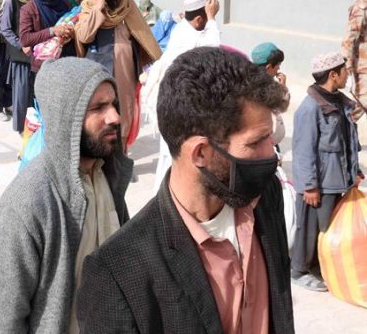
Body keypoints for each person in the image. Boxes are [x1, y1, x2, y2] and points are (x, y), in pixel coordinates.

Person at [78, 46, 293, 333]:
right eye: (256, 143)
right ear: (200, 153)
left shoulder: (265, 196)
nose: (272, 154)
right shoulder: (117, 274)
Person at [0, 57, 132, 334]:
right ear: (68, 117)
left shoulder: (108, 176)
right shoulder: (27, 204)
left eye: (113, 104)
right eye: (98, 108)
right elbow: (4, 320)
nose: (114, 117)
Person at [291, 52, 362, 292]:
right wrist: (309, 186)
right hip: (319, 184)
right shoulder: (310, 108)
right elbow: (303, 150)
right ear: (334, 74)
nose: (347, 76)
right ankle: (299, 270)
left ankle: (320, 266)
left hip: (339, 181)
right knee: (309, 229)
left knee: (329, 230)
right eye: (344, 71)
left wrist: (356, 171)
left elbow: (348, 141)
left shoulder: (339, 102)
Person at [74, 0, 162, 147]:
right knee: (100, 110)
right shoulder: (91, 1)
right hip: (98, 66)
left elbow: (141, 33)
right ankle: (101, 159)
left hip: (124, 69)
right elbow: (83, 35)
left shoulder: (128, 3)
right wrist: (98, 8)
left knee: (124, 109)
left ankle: (121, 158)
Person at [144, 0, 221, 192]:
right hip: (177, 105)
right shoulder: (187, 36)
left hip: (174, 101)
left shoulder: (184, 29)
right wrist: (212, 19)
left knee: (171, 157)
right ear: (198, 20)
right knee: (176, 158)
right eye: (204, 19)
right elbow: (213, 52)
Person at [0, 0, 39, 133]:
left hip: (38, 55)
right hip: (21, 56)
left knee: (37, 94)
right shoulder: (12, 0)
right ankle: (22, 130)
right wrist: (21, 44)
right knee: (22, 96)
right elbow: (5, 29)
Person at [19, 0, 74, 73]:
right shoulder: (29, 9)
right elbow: (25, 39)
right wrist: (52, 31)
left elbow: (74, 22)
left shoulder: (65, 3)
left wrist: (71, 32)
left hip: (67, 60)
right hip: (44, 64)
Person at [342, 0, 367, 119]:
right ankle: (331, 133)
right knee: (358, 108)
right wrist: (348, 70)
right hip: (363, 72)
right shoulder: (362, 8)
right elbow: (349, 41)